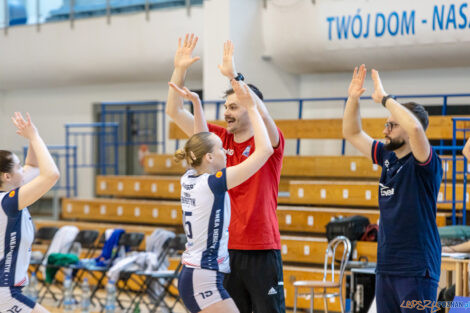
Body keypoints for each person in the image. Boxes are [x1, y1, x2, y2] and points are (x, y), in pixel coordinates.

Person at [166, 34, 285, 312]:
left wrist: (236, 77)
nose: (226, 113)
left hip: (261, 247)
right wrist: (180, 69)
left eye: (233, 106)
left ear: (251, 107)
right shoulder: (216, 142)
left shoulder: (267, 140)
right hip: (226, 252)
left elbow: (264, 117)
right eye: (225, 106)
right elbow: (174, 110)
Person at [342, 65, 443, 313]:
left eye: (392, 125)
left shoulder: (424, 163)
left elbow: (417, 129)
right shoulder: (387, 157)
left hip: (417, 270)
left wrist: (386, 99)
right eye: (386, 125)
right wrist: (353, 99)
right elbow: (352, 133)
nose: (385, 131)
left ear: (407, 129)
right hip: (387, 267)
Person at [0, 112, 60, 313]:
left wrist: (33, 135)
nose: (23, 171)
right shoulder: (7, 202)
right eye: (18, 167)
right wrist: (34, 138)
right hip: (5, 292)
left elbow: (33, 166)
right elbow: (51, 175)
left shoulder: (9, 196)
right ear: (8, 176)